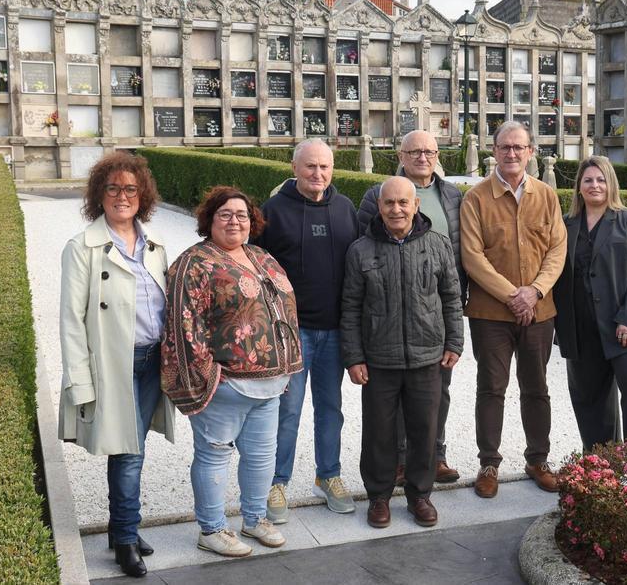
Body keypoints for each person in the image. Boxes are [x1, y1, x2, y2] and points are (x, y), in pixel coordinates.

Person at [160, 186, 304, 558]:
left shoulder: (261, 256)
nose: (234, 221)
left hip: (270, 386)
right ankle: (211, 529)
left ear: (252, 220)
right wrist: (209, 379)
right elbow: (183, 325)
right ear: (209, 220)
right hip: (225, 387)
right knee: (214, 456)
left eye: (241, 214)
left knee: (261, 457)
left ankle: (255, 519)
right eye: (225, 214)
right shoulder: (196, 263)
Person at [58, 151, 176, 578]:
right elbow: (71, 322)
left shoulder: (156, 247)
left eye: (130, 188)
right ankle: (125, 537)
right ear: (99, 194)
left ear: (142, 194)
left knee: (133, 449)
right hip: (113, 365)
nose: (122, 196)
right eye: (113, 188)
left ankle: (120, 528)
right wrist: (81, 386)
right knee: (128, 452)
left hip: (151, 362)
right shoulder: (82, 248)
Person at [342, 177, 464, 529]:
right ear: (379, 207)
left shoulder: (437, 246)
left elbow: (451, 298)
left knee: (424, 430)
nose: (396, 209)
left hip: (427, 357)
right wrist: (354, 357)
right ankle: (378, 497)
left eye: (403, 203)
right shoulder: (360, 250)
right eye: (389, 203)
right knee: (379, 432)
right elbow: (350, 307)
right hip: (379, 359)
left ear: (416, 206)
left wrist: (454, 342)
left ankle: (419, 495)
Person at [253, 138, 361, 520]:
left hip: (334, 331)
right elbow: (254, 267)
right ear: (294, 167)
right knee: (288, 410)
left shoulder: (346, 208)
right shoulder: (273, 211)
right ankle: (276, 482)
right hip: (291, 332)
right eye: (310, 166)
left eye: (325, 167)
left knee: (331, 408)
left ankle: (328, 475)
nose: (318, 174)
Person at [459, 121, 566, 499]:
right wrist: (512, 296)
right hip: (491, 315)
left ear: (531, 151)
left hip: (540, 311)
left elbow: (557, 250)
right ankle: (489, 463)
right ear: (494, 150)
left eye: (519, 147)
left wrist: (534, 292)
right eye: (505, 147)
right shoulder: (476, 199)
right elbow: (473, 258)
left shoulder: (547, 196)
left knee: (536, 387)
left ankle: (538, 459)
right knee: (491, 388)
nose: (512, 153)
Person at [357, 130, 466, 486]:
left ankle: (435, 456)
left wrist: (454, 327)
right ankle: (400, 461)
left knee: (436, 391)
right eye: (415, 151)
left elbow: (460, 251)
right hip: (387, 315)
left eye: (430, 151)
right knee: (392, 399)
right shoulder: (379, 195)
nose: (423, 157)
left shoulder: (451, 194)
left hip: (430, 312)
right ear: (400, 155)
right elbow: (364, 248)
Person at [553, 156, 627, 450]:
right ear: (578, 187)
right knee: (590, 403)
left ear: (610, 184)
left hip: (624, 327)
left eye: (601, 179)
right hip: (581, 329)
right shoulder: (565, 225)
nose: (594, 185)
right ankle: (603, 470)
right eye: (588, 180)